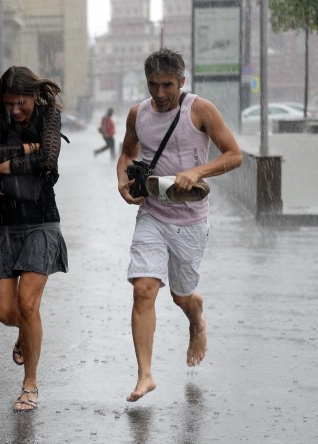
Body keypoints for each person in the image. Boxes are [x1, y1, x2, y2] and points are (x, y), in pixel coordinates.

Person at [116, 48, 243, 402]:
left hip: (190, 219)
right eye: (153, 84)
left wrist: (197, 171)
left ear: (182, 81)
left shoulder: (199, 110)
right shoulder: (137, 114)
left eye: (167, 85)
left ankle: (195, 317)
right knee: (143, 288)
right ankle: (145, 376)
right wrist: (123, 184)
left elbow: (234, 154)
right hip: (153, 213)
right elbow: (127, 154)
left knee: (180, 295)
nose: (159, 93)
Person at [0, 66, 68, 412]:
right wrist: (26, 148)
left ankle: (29, 385)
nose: (15, 110)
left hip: (41, 221)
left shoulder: (49, 116)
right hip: (2, 223)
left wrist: (7, 165)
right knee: (6, 312)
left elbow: (48, 160)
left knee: (28, 305)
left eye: (21, 103)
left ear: (34, 96)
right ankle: (26, 332)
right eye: (10, 104)